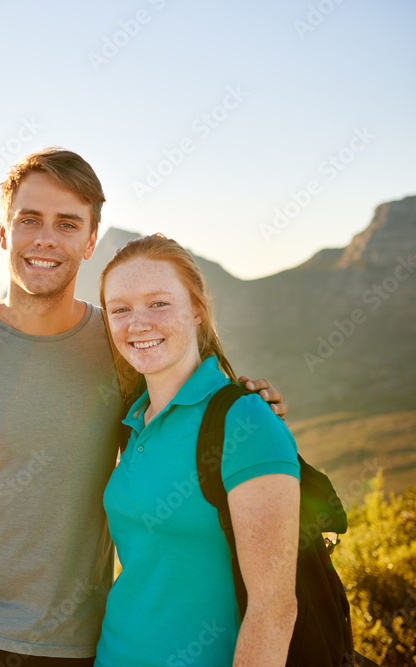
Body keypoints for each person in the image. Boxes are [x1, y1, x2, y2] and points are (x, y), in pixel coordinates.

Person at [0, 148, 288, 667]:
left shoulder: (120, 347)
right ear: (4, 232)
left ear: (90, 241)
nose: (45, 238)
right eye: (29, 220)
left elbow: (184, 407)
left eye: (67, 223)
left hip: (77, 647)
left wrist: (245, 402)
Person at [94, 234, 300, 666]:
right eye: (120, 309)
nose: (138, 323)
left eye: (158, 303)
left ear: (198, 311)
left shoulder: (246, 421)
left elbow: (274, 611)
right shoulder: (132, 421)